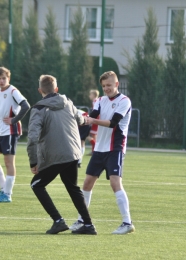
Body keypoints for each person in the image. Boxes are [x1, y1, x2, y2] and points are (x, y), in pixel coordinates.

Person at [27, 75, 97, 235]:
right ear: (56, 89)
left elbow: (32, 137)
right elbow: (81, 120)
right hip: (73, 153)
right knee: (73, 187)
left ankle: (58, 221)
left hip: (54, 156)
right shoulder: (69, 103)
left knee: (36, 185)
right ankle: (88, 224)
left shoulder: (38, 109)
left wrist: (33, 161)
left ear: (40, 91)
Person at [69, 71, 135, 235]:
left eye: (109, 85)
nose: (106, 88)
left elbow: (113, 123)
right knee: (87, 184)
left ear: (117, 84)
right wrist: (78, 117)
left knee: (115, 184)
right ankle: (82, 219)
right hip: (99, 149)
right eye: (104, 86)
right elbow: (91, 116)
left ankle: (127, 223)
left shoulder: (124, 101)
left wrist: (92, 121)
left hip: (115, 149)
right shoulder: (99, 100)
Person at [0, 67, 30, 202]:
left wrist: (14, 119)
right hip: (0, 130)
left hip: (11, 131)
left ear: (8, 78)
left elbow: (26, 106)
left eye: (3, 78)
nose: (1, 81)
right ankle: (3, 190)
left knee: (8, 162)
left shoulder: (13, 91)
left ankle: (7, 194)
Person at [87, 89, 100, 154]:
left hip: (95, 120)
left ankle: (95, 149)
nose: (89, 96)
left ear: (94, 95)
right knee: (94, 136)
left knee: (88, 135)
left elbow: (96, 112)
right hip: (96, 120)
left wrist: (92, 120)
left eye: (90, 94)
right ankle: (93, 150)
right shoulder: (96, 101)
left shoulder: (95, 101)